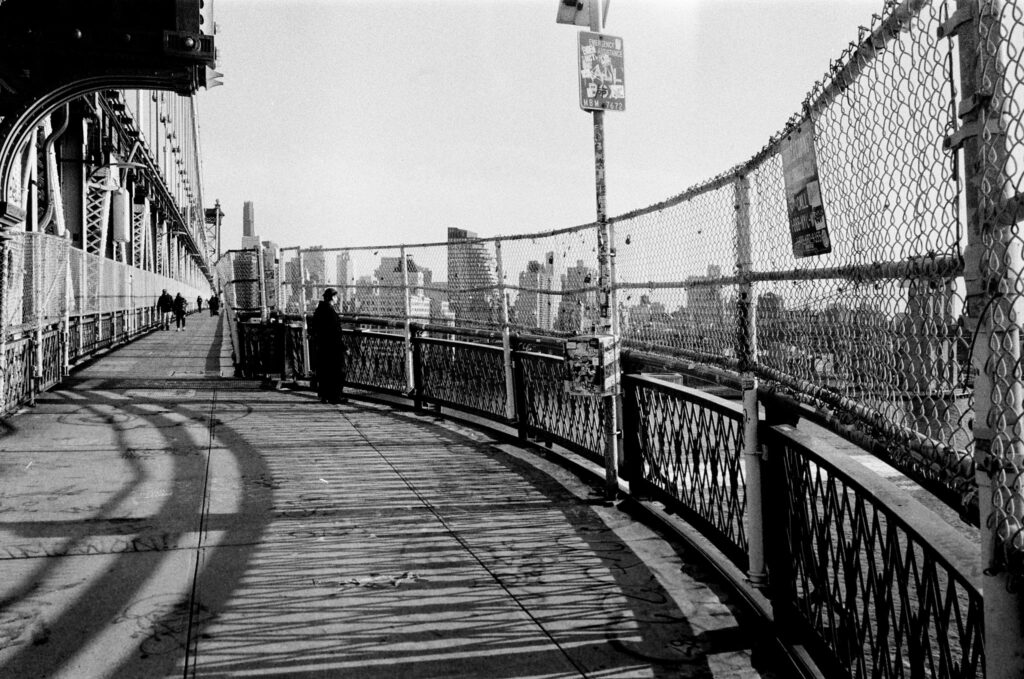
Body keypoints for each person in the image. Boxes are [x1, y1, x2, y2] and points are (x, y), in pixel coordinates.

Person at [312, 288, 348, 404]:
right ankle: (335, 396)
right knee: (338, 371)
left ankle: (325, 395)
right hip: (333, 347)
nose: (337, 299)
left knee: (324, 371)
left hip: (321, 346)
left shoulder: (319, 310)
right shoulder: (330, 312)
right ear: (332, 297)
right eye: (336, 297)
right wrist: (344, 347)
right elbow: (336, 333)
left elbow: (314, 327)